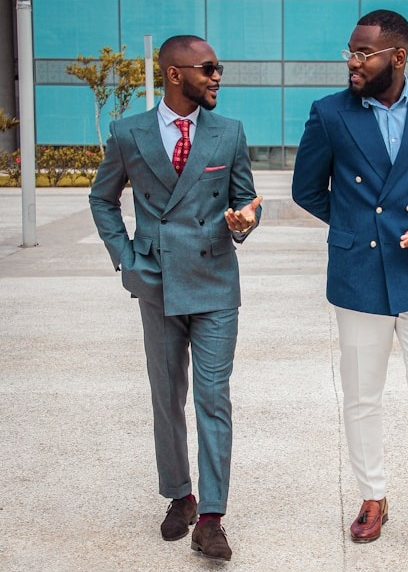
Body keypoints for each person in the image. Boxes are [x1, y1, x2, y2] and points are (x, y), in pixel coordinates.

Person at [292, 10, 408, 555]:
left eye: (363, 53)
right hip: (359, 276)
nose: (352, 61)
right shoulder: (329, 113)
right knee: (362, 396)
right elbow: (308, 190)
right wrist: (357, 229)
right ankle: (373, 497)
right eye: (349, 51)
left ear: (397, 57)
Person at [89, 34, 262, 562]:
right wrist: (128, 256)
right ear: (174, 74)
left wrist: (245, 220)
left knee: (214, 399)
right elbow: (102, 198)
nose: (216, 77)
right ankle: (180, 496)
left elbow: (246, 199)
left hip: (214, 284)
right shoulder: (128, 132)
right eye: (208, 68)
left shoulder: (228, 133)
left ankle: (211, 517)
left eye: (219, 68)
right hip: (157, 282)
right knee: (167, 398)